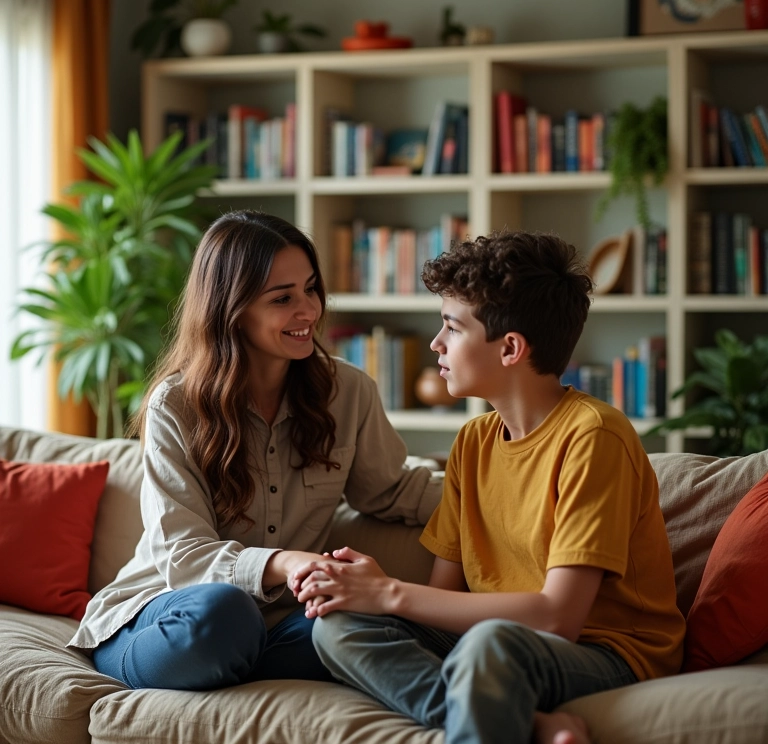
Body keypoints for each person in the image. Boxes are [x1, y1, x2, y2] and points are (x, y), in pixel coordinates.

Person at [293, 229, 686, 744]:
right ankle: (531, 722)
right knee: (338, 626)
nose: (436, 344)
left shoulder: (594, 436)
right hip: (490, 644)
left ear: (511, 349)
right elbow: (442, 598)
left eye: (451, 328)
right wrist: (374, 596)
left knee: (490, 645)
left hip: (607, 651)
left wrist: (389, 591)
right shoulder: (474, 441)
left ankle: (491, 703)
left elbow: (558, 617)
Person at [67, 210, 441, 690]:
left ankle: (237, 665)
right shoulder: (175, 405)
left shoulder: (348, 392)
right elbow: (184, 557)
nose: (308, 310)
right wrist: (286, 562)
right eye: (283, 298)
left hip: (282, 624)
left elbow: (392, 488)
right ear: (233, 310)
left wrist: (505, 496)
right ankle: (226, 657)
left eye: (310, 289)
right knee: (225, 613)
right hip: (172, 614)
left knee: (360, 623)